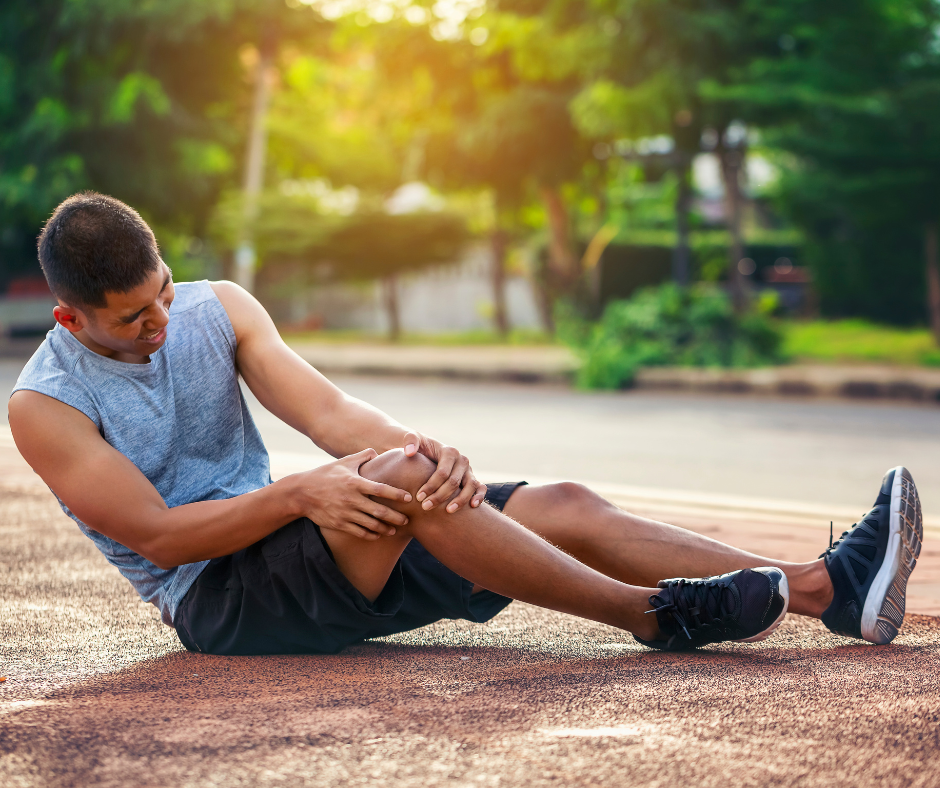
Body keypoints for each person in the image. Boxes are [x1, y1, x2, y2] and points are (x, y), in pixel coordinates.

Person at [8, 192, 924, 656]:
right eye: (133, 318)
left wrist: (421, 449)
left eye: (163, 292)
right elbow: (162, 540)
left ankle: (825, 592)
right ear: (72, 318)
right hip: (223, 600)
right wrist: (301, 495)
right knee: (397, 484)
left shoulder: (221, 308)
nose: (161, 322)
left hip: (321, 543)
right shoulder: (45, 405)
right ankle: (653, 617)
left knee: (553, 499)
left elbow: (330, 414)